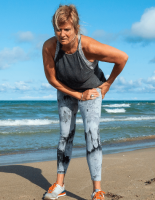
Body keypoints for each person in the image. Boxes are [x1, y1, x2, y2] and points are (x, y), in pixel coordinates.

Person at [42, 4, 128, 200]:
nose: (62, 34)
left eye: (67, 29)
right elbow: (52, 80)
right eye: (58, 29)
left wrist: (106, 86)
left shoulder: (88, 46)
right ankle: (60, 186)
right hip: (66, 90)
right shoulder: (49, 47)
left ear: (76, 28)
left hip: (91, 91)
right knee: (65, 134)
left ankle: (97, 190)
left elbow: (122, 58)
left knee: (92, 134)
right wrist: (76, 95)